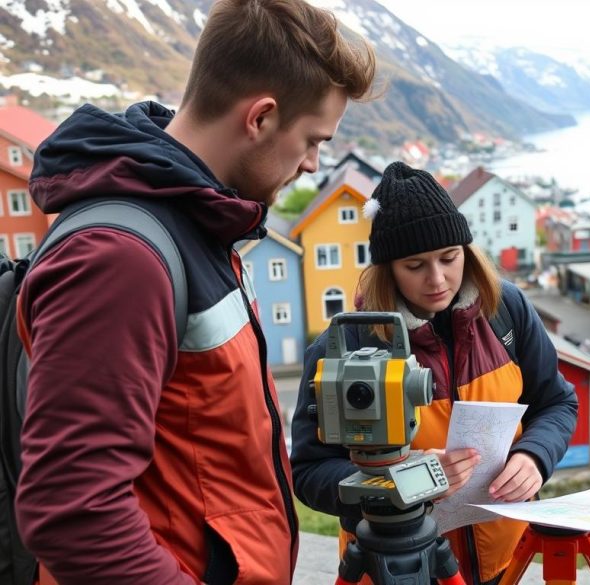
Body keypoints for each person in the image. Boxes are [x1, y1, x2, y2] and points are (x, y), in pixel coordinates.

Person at [14, 1, 376, 583]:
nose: (313, 164)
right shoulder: (121, 258)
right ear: (260, 117)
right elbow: (73, 512)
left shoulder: (197, 224)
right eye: (313, 140)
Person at [290, 162, 578, 585]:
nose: (438, 279)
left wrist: (535, 456)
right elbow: (310, 473)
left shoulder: (507, 311)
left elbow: (556, 402)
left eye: (449, 258)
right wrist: (403, 485)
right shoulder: (343, 349)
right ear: (387, 268)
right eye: (415, 265)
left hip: (503, 557)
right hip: (393, 563)